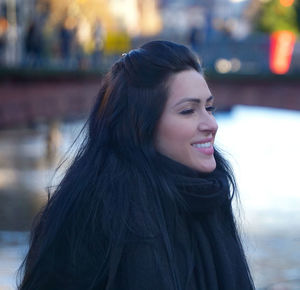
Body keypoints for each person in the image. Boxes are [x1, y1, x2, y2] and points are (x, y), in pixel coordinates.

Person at [18, 40, 254, 290]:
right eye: (188, 111)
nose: (211, 124)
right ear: (141, 125)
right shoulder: (91, 215)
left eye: (209, 108)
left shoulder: (210, 192)